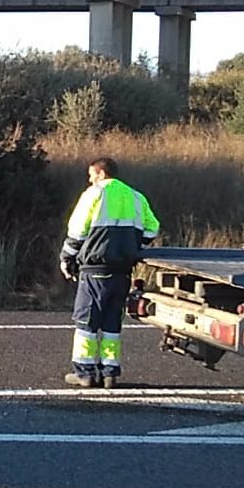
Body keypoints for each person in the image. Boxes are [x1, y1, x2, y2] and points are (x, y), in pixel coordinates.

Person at [59, 157, 159, 389]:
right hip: (122, 271)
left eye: (91, 175)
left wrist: (67, 257)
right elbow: (152, 227)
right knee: (112, 323)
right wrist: (133, 245)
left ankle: (84, 372)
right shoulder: (136, 197)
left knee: (87, 320)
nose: (90, 179)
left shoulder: (95, 194)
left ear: (101, 174)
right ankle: (109, 373)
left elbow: (77, 230)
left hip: (95, 269)